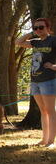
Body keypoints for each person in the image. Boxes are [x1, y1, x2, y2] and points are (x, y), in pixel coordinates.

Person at [16, 18, 56, 148]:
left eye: (41, 27)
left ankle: (51, 141)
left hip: (48, 80)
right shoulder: (35, 43)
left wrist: (54, 67)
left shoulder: (53, 40)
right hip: (35, 81)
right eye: (35, 28)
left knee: (50, 111)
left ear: (48, 28)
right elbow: (18, 42)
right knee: (43, 111)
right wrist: (31, 33)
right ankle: (44, 140)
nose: (38, 30)